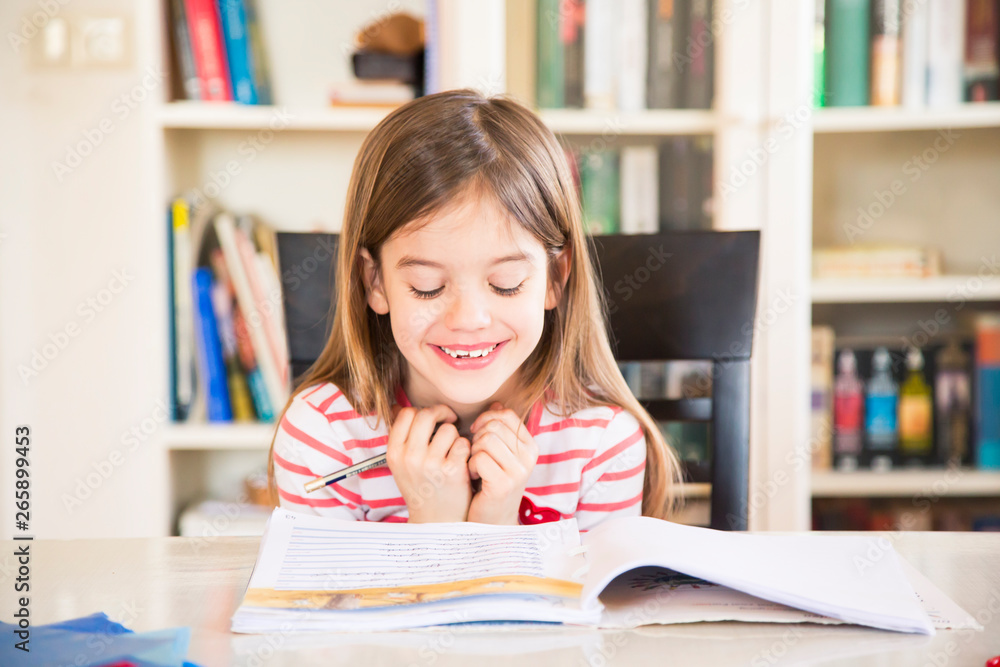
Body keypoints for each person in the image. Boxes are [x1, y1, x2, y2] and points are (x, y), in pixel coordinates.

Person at [267, 89, 682, 529]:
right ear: (376, 281)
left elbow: (583, 598)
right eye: (427, 288)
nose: (468, 319)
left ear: (554, 278)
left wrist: (497, 521)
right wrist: (435, 519)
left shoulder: (601, 445)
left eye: (506, 284)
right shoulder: (322, 436)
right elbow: (327, 597)